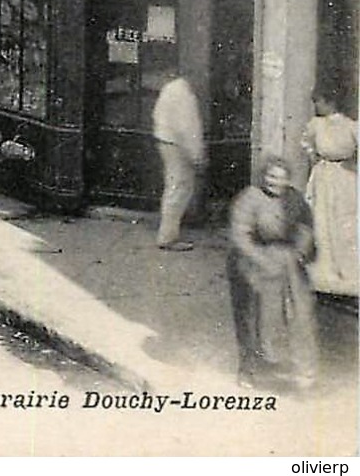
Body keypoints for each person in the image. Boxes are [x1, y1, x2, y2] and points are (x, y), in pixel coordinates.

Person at [227, 157, 318, 390]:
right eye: (270, 176)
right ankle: (249, 369)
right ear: (263, 177)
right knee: (254, 316)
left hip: (288, 263)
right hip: (253, 264)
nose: (275, 182)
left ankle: (295, 367)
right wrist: (262, 261)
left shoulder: (295, 199)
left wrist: (299, 251)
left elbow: (305, 228)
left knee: (299, 314)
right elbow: (240, 235)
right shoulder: (249, 198)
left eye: (280, 177)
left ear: (287, 179)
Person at [301, 91, 357, 296]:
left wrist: (351, 165)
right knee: (321, 220)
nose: (316, 106)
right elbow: (307, 145)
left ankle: (347, 268)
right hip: (323, 177)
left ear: (330, 102)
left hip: (345, 178)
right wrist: (315, 160)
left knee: (344, 221)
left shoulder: (351, 125)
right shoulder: (316, 124)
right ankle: (326, 268)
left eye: (319, 102)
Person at [152, 67, 206, 251]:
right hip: (177, 146)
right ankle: (168, 237)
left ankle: (168, 232)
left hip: (165, 141)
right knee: (179, 189)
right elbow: (187, 129)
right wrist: (197, 155)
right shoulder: (185, 96)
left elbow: (157, 116)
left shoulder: (170, 88)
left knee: (174, 186)